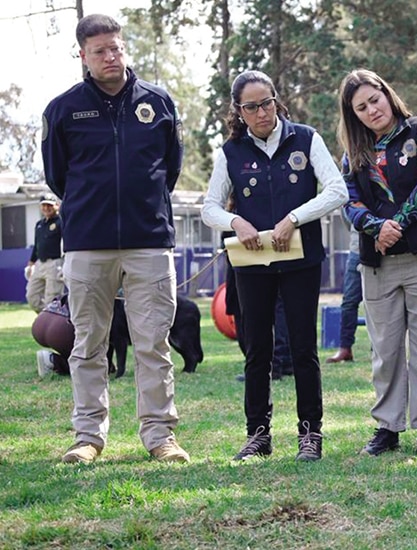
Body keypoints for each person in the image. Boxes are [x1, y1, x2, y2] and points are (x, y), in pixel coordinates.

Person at [41, 14, 190, 465]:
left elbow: (171, 167)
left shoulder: (158, 103)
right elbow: (58, 176)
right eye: (100, 50)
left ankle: (160, 436)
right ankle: (88, 437)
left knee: (153, 344)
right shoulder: (62, 109)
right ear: (83, 56)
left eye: (117, 48)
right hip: (88, 244)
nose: (111, 57)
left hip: (149, 240)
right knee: (88, 344)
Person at [202, 70, 348, 462]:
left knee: (303, 348)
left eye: (267, 102)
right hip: (251, 263)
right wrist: (236, 222)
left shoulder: (306, 138)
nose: (262, 112)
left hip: (301, 258)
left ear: (276, 100)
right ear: (239, 112)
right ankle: (258, 435)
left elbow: (337, 190)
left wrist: (294, 218)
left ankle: (310, 434)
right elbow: (209, 207)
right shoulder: (231, 152)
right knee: (257, 351)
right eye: (251, 107)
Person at [338, 69, 417, 457]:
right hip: (380, 261)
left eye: (375, 100)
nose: (371, 110)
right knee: (385, 349)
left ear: (387, 95)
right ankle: (387, 427)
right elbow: (348, 200)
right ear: (353, 114)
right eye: (361, 107)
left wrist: (398, 224)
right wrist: (377, 227)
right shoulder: (352, 154)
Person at [326, 228, 362, 364]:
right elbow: (348, 218)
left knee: (381, 302)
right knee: (349, 302)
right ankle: (345, 348)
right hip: (356, 251)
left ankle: (378, 348)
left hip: (381, 251)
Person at [25, 194, 65, 313]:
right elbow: (37, 245)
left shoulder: (61, 222)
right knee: (31, 297)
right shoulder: (39, 224)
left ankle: (51, 325)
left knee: (52, 300)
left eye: (49, 205)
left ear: (56, 206)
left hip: (55, 264)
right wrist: (31, 263)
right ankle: (46, 320)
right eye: (44, 205)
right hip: (39, 264)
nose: (46, 208)